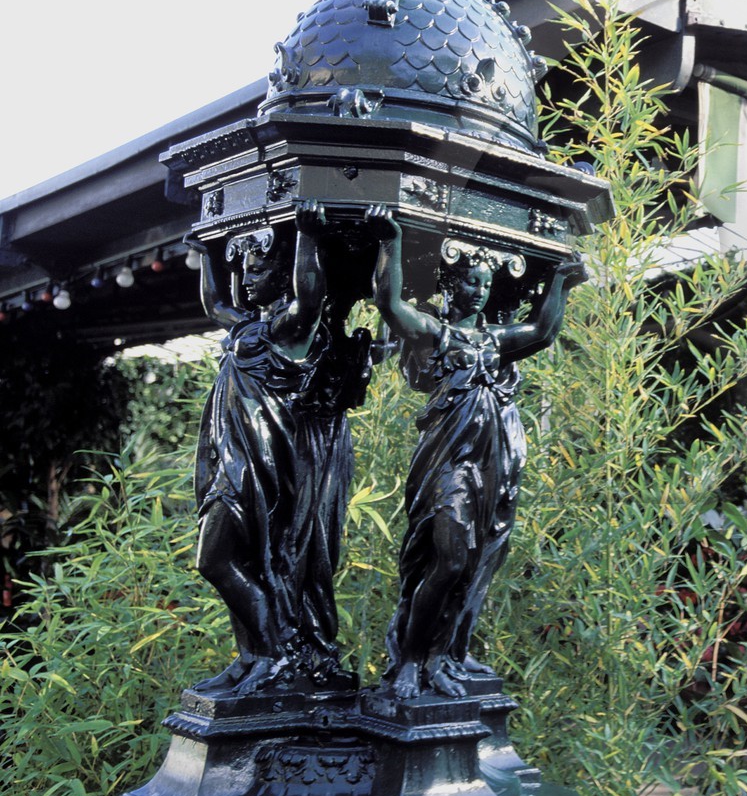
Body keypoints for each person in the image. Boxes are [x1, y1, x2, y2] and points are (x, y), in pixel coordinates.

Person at [366, 205, 584, 698]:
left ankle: (446, 655)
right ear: (451, 285)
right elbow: (389, 304)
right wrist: (391, 241)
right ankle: (411, 657)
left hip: (496, 462)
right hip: (450, 463)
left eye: (486, 282)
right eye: (471, 281)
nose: (481, 289)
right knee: (447, 557)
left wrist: (562, 286)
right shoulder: (434, 334)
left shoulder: (493, 342)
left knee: (477, 559)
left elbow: (542, 332)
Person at [190, 200, 353, 695]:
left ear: (281, 275)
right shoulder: (248, 328)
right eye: (244, 270)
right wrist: (207, 254)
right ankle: (255, 656)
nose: (247, 280)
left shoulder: (292, 330)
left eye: (257, 269)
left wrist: (305, 237)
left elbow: (310, 296)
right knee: (243, 559)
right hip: (233, 460)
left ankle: (278, 652)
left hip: (263, 469)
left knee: (215, 559)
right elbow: (216, 302)